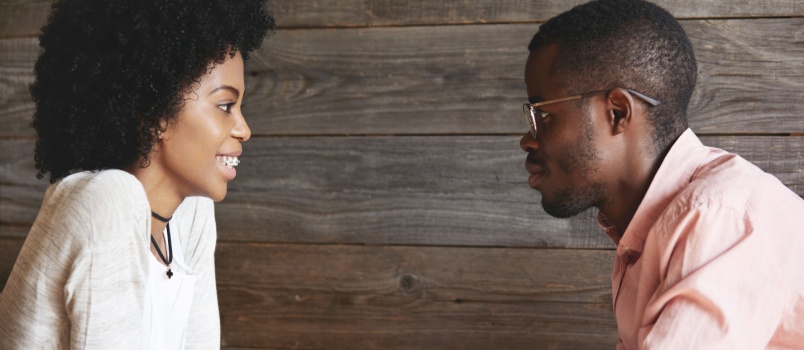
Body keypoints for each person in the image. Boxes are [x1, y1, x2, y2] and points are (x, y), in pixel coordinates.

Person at [518, 0, 804, 348]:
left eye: (543, 115)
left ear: (617, 113)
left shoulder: (716, 217)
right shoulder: (652, 230)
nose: (527, 140)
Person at [0, 0, 274, 348]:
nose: (243, 129)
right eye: (224, 106)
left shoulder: (190, 214)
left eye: (240, 108)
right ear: (155, 113)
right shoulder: (107, 200)